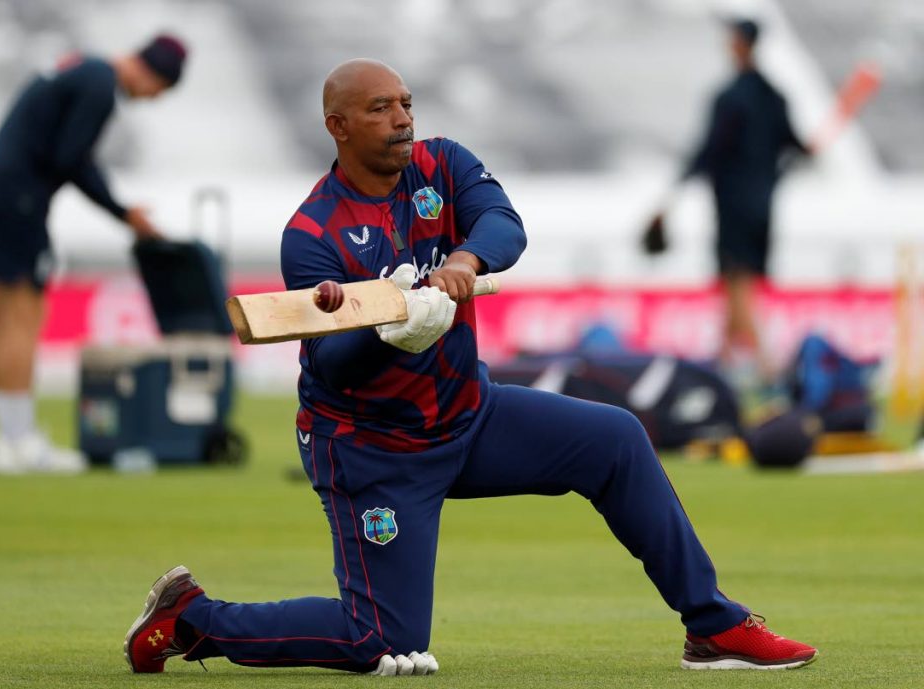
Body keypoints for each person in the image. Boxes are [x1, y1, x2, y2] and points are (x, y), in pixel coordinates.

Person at [124, 58, 818, 675]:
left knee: (616, 440)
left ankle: (713, 622)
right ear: (337, 126)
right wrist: (394, 334)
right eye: (380, 109)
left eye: (406, 104)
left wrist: (464, 258)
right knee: (381, 641)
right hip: (373, 448)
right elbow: (334, 365)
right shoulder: (312, 235)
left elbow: (503, 223)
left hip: (468, 415)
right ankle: (190, 618)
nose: (402, 120)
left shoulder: (441, 165)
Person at [0, 34, 187, 474]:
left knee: (4, 316)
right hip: (15, 199)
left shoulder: (84, 69)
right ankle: (19, 443)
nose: (148, 101)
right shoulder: (99, 86)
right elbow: (71, 158)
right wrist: (122, 212)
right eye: (157, 93)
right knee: (24, 315)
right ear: (152, 74)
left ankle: (10, 438)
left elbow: (63, 153)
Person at [646, 18, 810, 384]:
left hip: (733, 204)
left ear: (739, 44)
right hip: (764, 204)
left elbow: (710, 151)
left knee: (737, 280)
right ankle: (723, 361)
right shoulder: (775, 95)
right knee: (737, 280)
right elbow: (796, 144)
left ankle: (764, 367)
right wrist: (810, 148)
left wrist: (674, 192)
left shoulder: (730, 97)